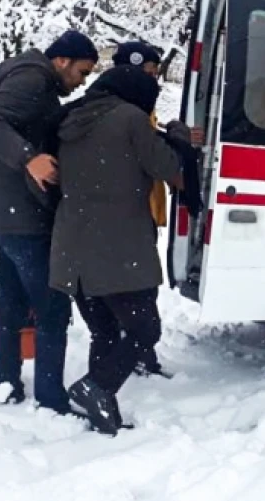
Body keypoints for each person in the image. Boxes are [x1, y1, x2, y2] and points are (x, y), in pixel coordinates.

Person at [50, 64, 187, 435]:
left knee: (106, 332)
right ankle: (98, 387)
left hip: (72, 250)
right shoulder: (129, 118)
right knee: (144, 330)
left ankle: (100, 404)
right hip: (118, 249)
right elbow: (166, 164)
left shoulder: (71, 117)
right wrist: (177, 136)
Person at [0, 30, 98, 413]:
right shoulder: (33, 78)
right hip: (24, 215)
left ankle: (6, 382)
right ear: (62, 61)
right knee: (52, 306)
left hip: (6, 213)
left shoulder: (29, 81)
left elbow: (14, 121)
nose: (81, 81)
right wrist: (30, 157)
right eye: (82, 72)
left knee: (12, 304)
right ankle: (51, 399)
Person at [111, 41, 172, 378]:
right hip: (129, 213)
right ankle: (132, 351)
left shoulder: (140, 109)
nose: (154, 81)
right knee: (134, 287)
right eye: (148, 73)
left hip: (144, 210)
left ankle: (140, 351)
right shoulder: (123, 111)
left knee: (144, 284)